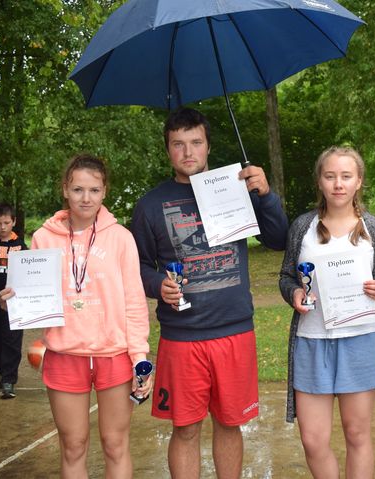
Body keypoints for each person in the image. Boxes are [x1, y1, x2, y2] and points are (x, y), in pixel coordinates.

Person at [131, 107, 288, 479]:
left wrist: (266, 195)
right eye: (178, 144)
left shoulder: (235, 188)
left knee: (230, 423)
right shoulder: (150, 205)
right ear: (168, 149)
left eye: (196, 142)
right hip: (182, 335)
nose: (188, 152)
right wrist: (158, 285)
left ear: (208, 146)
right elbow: (138, 267)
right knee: (185, 428)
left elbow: (279, 239)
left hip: (234, 329)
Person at [0, 154, 152, 476]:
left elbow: (134, 302)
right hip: (64, 354)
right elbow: (34, 296)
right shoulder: (43, 238)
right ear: (65, 190)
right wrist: (13, 303)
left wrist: (140, 358)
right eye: (78, 189)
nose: (86, 198)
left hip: (114, 355)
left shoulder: (120, 237)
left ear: (104, 191)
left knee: (115, 443)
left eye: (94, 190)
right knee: (73, 445)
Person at [279, 146, 375, 478]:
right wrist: (294, 292)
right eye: (330, 176)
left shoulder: (374, 229)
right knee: (313, 441)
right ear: (320, 181)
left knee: (357, 434)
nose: (338, 184)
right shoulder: (303, 227)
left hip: (360, 341)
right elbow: (286, 277)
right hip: (312, 342)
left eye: (346, 176)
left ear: (358, 181)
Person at [0, 202, 28, 399]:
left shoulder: (20, 246)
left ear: (14, 221)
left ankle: (9, 380)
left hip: (14, 303)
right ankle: (1, 371)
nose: (2, 227)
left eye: (6, 223)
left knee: (12, 341)